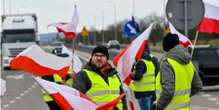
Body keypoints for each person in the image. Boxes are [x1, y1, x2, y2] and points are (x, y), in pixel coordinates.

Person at [155, 33, 202, 110]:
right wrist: (184, 97)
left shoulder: (167, 63)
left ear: (166, 47)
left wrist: (159, 106)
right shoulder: (189, 62)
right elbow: (197, 86)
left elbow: (168, 91)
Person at [73, 45, 127, 110]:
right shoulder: (83, 75)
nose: (99, 58)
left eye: (102, 56)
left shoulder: (114, 75)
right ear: (92, 57)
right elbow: (76, 100)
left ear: (107, 58)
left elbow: (123, 98)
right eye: (96, 55)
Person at [129, 45, 159, 110]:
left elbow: (137, 76)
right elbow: (157, 73)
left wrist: (131, 74)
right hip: (152, 91)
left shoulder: (141, 62)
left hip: (142, 92)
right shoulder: (151, 59)